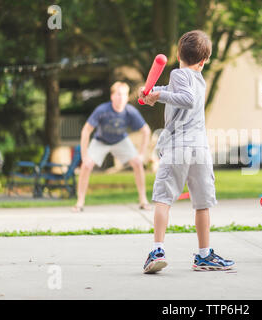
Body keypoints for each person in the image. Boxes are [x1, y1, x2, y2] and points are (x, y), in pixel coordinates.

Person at [139, 30, 235, 274]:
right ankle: (204, 255)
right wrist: (151, 93)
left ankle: (157, 250)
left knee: (163, 198)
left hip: (178, 147)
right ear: (203, 62)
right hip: (199, 149)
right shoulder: (197, 78)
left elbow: (185, 98)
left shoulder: (178, 74)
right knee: (202, 203)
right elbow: (176, 90)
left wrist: (158, 95)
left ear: (178, 54)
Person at [72, 81, 152, 212]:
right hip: (101, 141)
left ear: (127, 97)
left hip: (120, 140)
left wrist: (142, 154)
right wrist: (84, 155)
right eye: (119, 94)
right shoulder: (102, 110)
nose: (121, 98)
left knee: (137, 163)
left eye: (124, 95)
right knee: (86, 165)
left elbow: (146, 131)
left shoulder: (130, 111)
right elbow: (86, 131)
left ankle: (143, 200)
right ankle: (79, 202)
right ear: (112, 96)